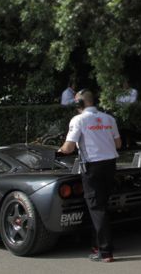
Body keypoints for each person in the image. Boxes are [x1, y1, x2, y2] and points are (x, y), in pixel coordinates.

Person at [57, 90, 121, 263]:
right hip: (110, 165)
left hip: (93, 166)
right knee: (102, 206)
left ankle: (105, 252)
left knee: (96, 208)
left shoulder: (78, 120)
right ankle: (97, 244)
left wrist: (60, 150)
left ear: (79, 104)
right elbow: (118, 143)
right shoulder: (109, 118)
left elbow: (69, 148)